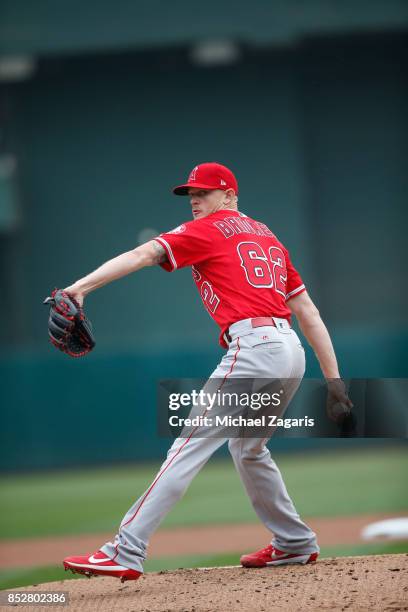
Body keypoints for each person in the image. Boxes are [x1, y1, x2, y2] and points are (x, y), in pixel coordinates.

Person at [63, 162, 352, 582]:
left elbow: (144, 254)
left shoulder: (209, 229)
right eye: (191, 194)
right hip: (289, 350)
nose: (195, 200)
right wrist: (334, 380)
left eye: (204, 192)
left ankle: (124, 550)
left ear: (230, 196)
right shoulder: (267, 235)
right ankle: (294, 542)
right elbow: (306, 311)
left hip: (255, 349)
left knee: (187, 447)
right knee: (248, 449)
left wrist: (79, 288)